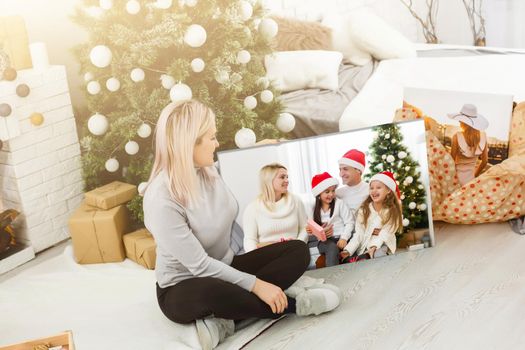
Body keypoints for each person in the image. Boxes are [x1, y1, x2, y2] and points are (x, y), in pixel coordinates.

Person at [143, 100, 341, 350]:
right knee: (215, 292)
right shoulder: (161, 200)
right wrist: (258, 286)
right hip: (184, 286)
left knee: (297, 251)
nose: (216, 144)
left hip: (225, 265)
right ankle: (295, 305)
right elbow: (200, 266)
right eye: (211, 138)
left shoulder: (206, 171)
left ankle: (226, 319)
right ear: (189, 143)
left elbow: (222, 169)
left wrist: (254, 150)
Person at [243, 163, 309, 252]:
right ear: (268, 180)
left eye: (287, 177)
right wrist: (254, 256)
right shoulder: (252, 208)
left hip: (294, 251)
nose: (287, 180)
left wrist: (298, 244)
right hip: (268, 253)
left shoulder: (296, 201)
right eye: (282, 177)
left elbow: (304, 228)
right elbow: (249, 239)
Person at [340, 171, 403, 263]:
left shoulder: (392, 211)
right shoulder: (364, 209)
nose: (374, 191)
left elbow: (386, 233)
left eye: (378, 188)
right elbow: (359, 233)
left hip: (383, 244)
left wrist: (373, 248)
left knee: (378, 255)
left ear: (388, 190)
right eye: (371, 188)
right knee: (354, 259)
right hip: (365, 245)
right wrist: (348, 250)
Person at [307, 172, 354, 267]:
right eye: (327, 192)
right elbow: (312, 228)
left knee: (349, 255)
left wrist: (344, 238)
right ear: (318, 193)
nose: (331, 194)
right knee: (332, 248)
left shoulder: (339, 203)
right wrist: (310, 231)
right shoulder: (312, 208)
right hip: (325, 242)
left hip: (341, 239)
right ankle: (333, 275)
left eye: (333, 191)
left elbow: (350, 222)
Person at [448, 104, 489, 186]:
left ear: (465, 122)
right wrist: (475, 175)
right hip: (471, 179)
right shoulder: (483, 136)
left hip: (457, 178)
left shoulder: (457, 136)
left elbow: (451, 161)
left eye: (461, 119)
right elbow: (485, 161)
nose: (459, 121)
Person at [335, 149, 369, 245]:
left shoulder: (370, 191)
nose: (341, 174)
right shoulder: (337, 194)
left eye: (345, 169)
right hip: (344, 239)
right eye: (340, 169)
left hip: (365, 238)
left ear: (358, 170)